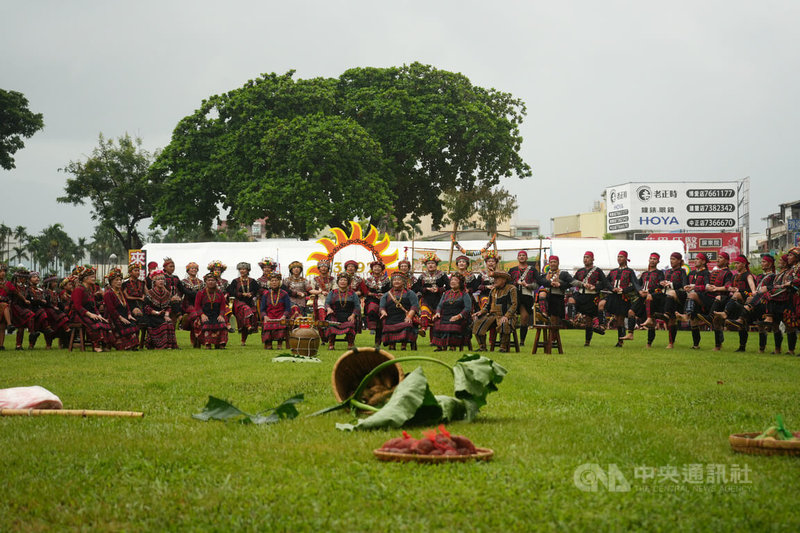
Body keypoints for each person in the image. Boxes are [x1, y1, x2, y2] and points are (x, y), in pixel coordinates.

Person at [713, 255, 756, 352]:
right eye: (735, 263)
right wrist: (730, 287)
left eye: (738, 263)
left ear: (744, 264)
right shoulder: (734, 276)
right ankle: (712, 316)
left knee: (737, 294)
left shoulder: (748, 275)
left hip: (745, 298)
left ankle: (725, 313)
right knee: (720, 298)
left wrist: (740, 290)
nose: (736, 265)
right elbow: (729, 285)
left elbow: (753, 290)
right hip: (734, 300)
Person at [734, 254, 776, 353]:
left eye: (764, 262)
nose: (762, 263)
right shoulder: (760, 276)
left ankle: (762, 349)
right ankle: (742, 346)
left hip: (765, 302)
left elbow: (773, 288)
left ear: (770, 264)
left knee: (761, 326)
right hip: (755, 300)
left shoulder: (773, 276)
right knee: (743, 323)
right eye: (762, 262)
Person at [598, 251, 640, 347]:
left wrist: (623, 290)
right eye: (618, 257)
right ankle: (602, 325)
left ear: (626, 258)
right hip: (612, 295)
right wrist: (611, 288)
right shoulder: (613, 271)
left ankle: (620, 341)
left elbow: (635, 285)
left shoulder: (630, 271)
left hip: (623, 297)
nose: (619, 258)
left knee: (619, 320)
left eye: (621, 257)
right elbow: (606, 282)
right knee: (601, 304)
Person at [567, 251, 607, 347]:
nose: (585, 259)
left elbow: (604, 283)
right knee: (571, 300)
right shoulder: (580, 271)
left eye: (588, 257)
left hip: (592, 296)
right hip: (580, 295)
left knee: (589, 319)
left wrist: (596, 287)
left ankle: (587, 342)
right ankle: (571, 320)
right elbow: (573, 281)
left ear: (593, 259)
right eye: (584, 257)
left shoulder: (598, 271)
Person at [472, 270, 518, 352]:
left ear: (504, 279)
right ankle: (482, 346)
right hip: (493, 316)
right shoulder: (493, 290)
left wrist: (506, 316)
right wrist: (480, 312)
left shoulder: (511, 289)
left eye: (497, 278)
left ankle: (503, 347)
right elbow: (488, 306)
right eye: (494, 278)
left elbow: (514, 304)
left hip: (507, 316)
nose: (495, 280)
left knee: (504, 323)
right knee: (477, 322)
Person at [71, 267, 114, 352]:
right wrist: (90, 314)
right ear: (85, 279)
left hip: (89, 313)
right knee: (94, 323)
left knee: (103, 322)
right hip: (78, 314)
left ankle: (105, 344)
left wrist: (98, 314)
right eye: (92, 277)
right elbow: (77, 306)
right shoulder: (78, 289)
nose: (94, 279)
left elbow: (93, 305)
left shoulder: (89, 290)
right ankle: (95, 346)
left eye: (94, 277)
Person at [675, 253, 712, 349]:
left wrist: (695, 287)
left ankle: (686, 315)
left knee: (692, 294)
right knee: (693, 321)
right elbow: (686, 285)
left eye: (697, 259)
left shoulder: (706, 273)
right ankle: (696, 345)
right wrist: (687, 287)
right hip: (691, 299)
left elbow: (708, 287)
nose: (695, 261)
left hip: (703, 298)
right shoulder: (691, 273)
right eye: (694, 259)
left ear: (703, 261)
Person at [431, 272, 472, 351]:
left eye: (455, 280)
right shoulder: (446, 293)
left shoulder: (464, 294)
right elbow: (440, 305)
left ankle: (452, 345)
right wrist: (438, 313)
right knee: (437, 322)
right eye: (451, 280)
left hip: (459, 317)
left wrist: (458, 316)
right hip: (445, 315)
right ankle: (440, 346)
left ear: (460, 283)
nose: (453, 282)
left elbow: (468, 308)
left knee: (452, 324)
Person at [379, 271, 420, 350]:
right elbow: (382, 306)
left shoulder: (410, 293)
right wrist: (383, 313)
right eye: (394, 280)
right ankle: (392, 345)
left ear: (403, 282)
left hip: (405, 316)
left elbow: (414, 306)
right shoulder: (387, 294)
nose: (396, 281)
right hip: (390, 317)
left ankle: (403, 345)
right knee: (387, 325)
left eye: (399, 280)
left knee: (407, 324)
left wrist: (409, 316)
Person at [102, 268, 140, 351]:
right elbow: (111, 309)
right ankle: (125, 345)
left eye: (120, 280)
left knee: (134, 323)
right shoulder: (108, 293)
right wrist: (120, 317)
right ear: (111, 282)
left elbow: (127, 305)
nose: (119, 282)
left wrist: (129, 314)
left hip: (124, 315)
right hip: (113, 317)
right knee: (124, 326)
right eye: (117, 280)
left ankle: (133, 345)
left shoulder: (120, 292)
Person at [413, 252, 448, 338]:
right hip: (426, 298)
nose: (430, 265)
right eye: (428, 263)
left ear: (436, 265)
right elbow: (417, 287)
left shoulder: (442, 274)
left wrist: (439, 289)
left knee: (435, 318)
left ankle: (433, 340)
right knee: (424, 312)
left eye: (432, 263)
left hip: (439, 299)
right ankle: (423, 328)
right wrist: (426, 289)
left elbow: (449, 286)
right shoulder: (422, 276)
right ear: (426, 265)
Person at [634, 253, 666, 348]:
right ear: (648, 260)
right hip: (642, 297)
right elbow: (638, 285)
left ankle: (649, 343)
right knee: (631, 312)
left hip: (653, 298)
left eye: (654, 259)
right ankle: (630, 333)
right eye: (651, 258)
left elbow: (660, 287)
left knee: (651, 322)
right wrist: (640, 292)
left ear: (658, 261)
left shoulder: (660, 273)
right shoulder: (644, 274)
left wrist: (650, 292)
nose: (652, 260)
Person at [508, 250, 538, 345]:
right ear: (517, 258)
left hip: (526, 296)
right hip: (514, 295)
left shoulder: (532, 269)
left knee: (524, 318)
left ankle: (521, 341)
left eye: (523, 255)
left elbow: (537, 283)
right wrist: (516, 283)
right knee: (510, 317)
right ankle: (507, 339)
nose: (521, 257)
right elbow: (507, 283)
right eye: (520, 255)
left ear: (527, 257)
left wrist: (528, 285)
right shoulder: (512, 270)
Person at [143, 270, 179, 349]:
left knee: (169, 323)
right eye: (159, 279)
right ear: (154, 282)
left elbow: (169, 306)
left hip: (162, 315)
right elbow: (146, 307)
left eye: (162, 279)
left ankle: (169, 345)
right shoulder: (150, 293)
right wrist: (156, 312)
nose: (161, 281)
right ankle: (159, 345)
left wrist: (166, 315)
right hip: (152, 316)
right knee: (165, 324)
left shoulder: (167, 294)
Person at [325, 272, 361, 350]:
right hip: (335, 315)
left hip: (348, 316)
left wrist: (353, 315)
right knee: (330, 322)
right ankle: (331, 343)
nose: (343, 282)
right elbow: (327, 303)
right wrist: (328, 309)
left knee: (351, 323)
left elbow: (357, 306)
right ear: (338, 282)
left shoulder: (353, 293)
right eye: (341, 280)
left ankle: (350, 343)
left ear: (348, 282)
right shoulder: (332, 292)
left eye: (345, 280)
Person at [193, 273, 230, 349]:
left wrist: (221, 315)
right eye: (209, 280)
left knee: (222, 324)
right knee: (206, 324)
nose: (211, 282)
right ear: (205, 282)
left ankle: (221, 344)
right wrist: (202, 315)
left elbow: (223, 306)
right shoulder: (201, 293)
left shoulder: (220, 293)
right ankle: (208, 344)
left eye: (213, 280)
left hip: (217, 314)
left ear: (216, 281)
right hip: (205, 314)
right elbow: (197, 306)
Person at [660, 252, 688, 349]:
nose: (671, 261)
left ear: (679, 261)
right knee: (672, 320)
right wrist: (662, 283)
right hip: (667, 297)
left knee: (671, 318)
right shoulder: (667, 272)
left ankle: (666, 314)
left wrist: (671, 284)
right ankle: (670, 343)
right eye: (670, 259)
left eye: (674, 259)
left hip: (678, 296)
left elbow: (684, 285)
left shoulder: (682, 271)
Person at [227, 262, 260, 345]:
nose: (242, 271)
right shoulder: (235, 281)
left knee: (247, 317)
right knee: (246, 309)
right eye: (241, 269)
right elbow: (231, 291)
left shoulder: (252, 281)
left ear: (248, 270)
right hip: (238, 303)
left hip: (250, 302)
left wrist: (251, 294)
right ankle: (249, 326)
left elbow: (257, 291)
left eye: (244, 269)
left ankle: (243, 341)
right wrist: (242, 294)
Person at [536, 255, 572, 327]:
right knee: (542, 293)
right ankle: (544, 313)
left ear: (558, 263)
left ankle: (553, 337)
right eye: (551, 262)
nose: (553, 264)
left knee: (556, 322)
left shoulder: (563, 274)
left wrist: (560, 284)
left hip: (557, 298)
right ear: (549, 263)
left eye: (554, 262)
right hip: (547, 298)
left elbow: (571, 283)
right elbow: (536, 283)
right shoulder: (544, 275)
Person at [260, 273, 292, 350]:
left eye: (276, 280)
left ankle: (279, 343)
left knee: (281, 324)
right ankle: (268, 343)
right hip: (269, 316)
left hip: (281, 316)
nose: (274, 282)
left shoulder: (284, 294)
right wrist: (265, 316)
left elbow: (288, 308)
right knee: (268, 324)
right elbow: (262, 309)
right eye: (272, 281)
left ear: (279, 282)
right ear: (269, 282)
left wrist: (284, 316)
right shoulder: (266, 294)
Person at [363, 260, 390, 348]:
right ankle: (372, 327)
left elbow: (390, 290)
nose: (377, 268)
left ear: (382, 269)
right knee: (372, 309)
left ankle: (379, 342)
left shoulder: (386, 279)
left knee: (382, 322)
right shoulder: (368, 280)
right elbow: (365, 291)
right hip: (372, 299)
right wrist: (373, 294)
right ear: (372, 269)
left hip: (384, 300)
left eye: (379, 267)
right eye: (375, 267)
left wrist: (383, 295)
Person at [9, 268, 37, 350]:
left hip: (23, 307)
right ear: (18, 278)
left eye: (25, 278)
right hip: (15, 307)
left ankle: (19, 346)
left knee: (21, 327)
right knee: (30, 315)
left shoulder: (27, 287)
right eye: (22, 277)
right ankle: (32, 332)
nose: (23, 279)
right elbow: (15, 294)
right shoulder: (13, 286)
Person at [26, 271, 55, 349]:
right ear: (29, 280)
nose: (36, 278)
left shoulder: (41, 290)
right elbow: (28, 300)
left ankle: (48, 345)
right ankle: (31, 345)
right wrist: (39, 301)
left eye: (37, 277)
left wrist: (44, 301)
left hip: (41, 310)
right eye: (34, 277)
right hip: (32, 310)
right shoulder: (27, 289)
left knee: (46, 322)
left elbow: (46, 301)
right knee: (40, 327)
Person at [42, 275, 69, 348]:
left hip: (55, 311)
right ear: (49, 283)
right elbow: (46, 303)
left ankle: (65, 332)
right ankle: (48, 345)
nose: (55, 284)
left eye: (56, 282)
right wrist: (53, 307)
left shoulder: (55, 293)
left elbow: (59, 303)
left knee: (58, 326)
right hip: (48, 311)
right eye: (53, 282)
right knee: (49, 330)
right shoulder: (45, 292)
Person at [180, 262, 204, 333]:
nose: (194, 270)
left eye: (196, 268)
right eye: (192, 268)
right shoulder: (184, 282)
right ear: (188, 270)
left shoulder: (201, 282)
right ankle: (184, 324)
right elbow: (180, 293)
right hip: (188, 303)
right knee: (195, 314)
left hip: (199, 303)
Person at [0, 264, 17, 350]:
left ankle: (1, 345)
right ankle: (10, 324)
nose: (2, 273)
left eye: (4, 271)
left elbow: (14, 292)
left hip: (4, 306)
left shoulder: (8, 283)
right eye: (0, 271)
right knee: (4, 305)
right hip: (3, 305)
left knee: (2, 326)